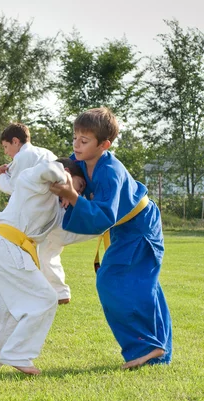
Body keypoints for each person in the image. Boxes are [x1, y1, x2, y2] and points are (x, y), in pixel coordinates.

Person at [50, 107, 172, 369]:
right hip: (124, 228)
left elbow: (104, 214)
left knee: (113, 281)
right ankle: (158, 353)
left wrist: (72, 196)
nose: (76, 145)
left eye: (84, 141)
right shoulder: (80, 160)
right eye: (74, 138)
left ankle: (146, 346)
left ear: (104, 144)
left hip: (140, 227)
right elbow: (66, 169)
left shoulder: (110, 170)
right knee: (145, 285)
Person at [0, 158, 87, 375]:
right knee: (45, 299)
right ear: (68, 172)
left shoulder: (56, 206)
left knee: (2, 314)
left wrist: (104, 225)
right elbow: (48, 168)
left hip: (3, 251)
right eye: (79, 186)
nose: (74, 193)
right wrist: (66, 179)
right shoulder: (36, 180)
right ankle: (18, 354)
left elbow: (67, 234)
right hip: (6, 247)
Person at [0, 123, 71, 304]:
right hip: (55, 209)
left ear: (15, 141)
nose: (6, 152)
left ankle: (29, 292)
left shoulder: (24, 156)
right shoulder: (45, 153)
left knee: (22, 253)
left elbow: (15, 186)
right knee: (49, 252)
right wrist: (6, 171)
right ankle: (60, 293)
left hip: (35, 213)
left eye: (6, 147)